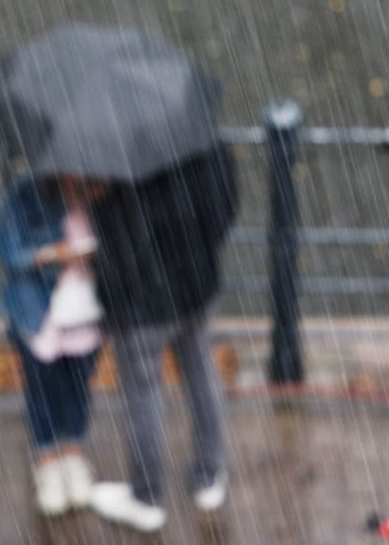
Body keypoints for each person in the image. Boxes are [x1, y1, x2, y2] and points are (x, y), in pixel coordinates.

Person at [89, 143, 239, 531]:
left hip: (142, 305)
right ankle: (210, 475)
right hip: (196, 284)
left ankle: (147, 498)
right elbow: (226, 204)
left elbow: (117, 244)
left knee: (143, 393)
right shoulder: (202, 136)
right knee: (200, 370)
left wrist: (111, 294)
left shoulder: (113, 153)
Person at [0, 174, 107, 515]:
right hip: (39, 310)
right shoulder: (26, 194)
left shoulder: (105, 194)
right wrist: (53, 255)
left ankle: (72, 454)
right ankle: (47, 460)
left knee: (78, 385)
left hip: (89, 310)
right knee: (42, 389)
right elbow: (10, 252)